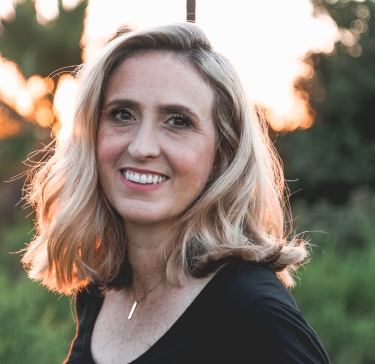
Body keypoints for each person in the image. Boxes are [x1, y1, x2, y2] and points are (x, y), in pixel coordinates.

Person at [22, 23, 329, 363]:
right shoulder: (101, 289)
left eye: (178, 121)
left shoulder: (255, 316)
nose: (141, 147)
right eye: (122, 114)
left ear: (222, 154)